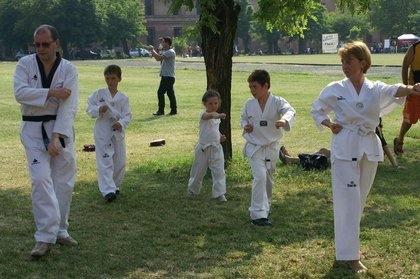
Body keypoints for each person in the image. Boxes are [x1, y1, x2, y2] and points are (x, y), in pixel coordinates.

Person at [311, 41, 420, 273]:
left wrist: (411, 89)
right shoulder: (335, 88)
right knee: (348, 199)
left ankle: (346, 247)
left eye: (348, 62)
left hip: (368, 147)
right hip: (344, 146)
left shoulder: (374, 88)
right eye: (342, 62)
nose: (344, 66)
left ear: (362, 63)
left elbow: (394, 90)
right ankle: (351, 256)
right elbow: (317, 109)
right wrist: (329, 123)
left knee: (358, 202)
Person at [14, 24, 79, 258]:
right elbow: (20, 93)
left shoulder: (69, 69)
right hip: (32, 129)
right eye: (37, 44)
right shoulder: (25, 64)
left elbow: (69, 105)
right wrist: (51, 93)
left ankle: (60, 230)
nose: (40, 48)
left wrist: (56, 136)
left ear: (56, 43)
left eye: (45, 44)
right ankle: (44, 237)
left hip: (59, 129)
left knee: (64, 182)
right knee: (41, 180)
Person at [241, 69, 296, 226]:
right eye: (250, 87)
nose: (252, 91)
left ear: (265, 86)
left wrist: (284, 120)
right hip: (255, 146)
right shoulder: (249, 104)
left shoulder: (278, 101)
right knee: (260, 176)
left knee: (268, 180)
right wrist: (246, 125)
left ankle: (265, 208)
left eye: (255, 87)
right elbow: (243, 118)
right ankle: (257, 215)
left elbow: (290, 111)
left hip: (271, 146)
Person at [86, 65, 132, 202]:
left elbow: (128, 115)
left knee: (119, 162)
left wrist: (122, 123)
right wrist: (99, 109)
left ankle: (115, 185)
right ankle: (107, 190)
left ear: (119, 79)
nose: (110, 81)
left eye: (113, 78)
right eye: (107, 78)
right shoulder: (98, 94)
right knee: (105, 160)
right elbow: (89, 109)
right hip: (103, 131)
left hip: (117, 131)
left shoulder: (123, 97)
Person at [187, 90, 227, 202]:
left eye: (216, 103)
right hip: (203, 149)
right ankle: (192, 190)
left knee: (219, 171)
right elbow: (211, 115)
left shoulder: (216, 117)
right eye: (210, 103)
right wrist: (219, 115)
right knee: (198, 171)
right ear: (204, 104)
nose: (213, 106)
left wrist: (220, 137)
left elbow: (214, 129)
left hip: (216, 148)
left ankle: (220, 193)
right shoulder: (204, 115)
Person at [394, 40, 420, 156]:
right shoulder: (414, 48)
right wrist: (406, 87)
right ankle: (399, 140)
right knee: (409, 118)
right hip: (415, 90)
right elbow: (405, 66)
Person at [148, 37, 177, 116]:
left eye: (163, 42)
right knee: (170, 93)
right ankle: (173, 110)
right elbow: (158, 58)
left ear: (167, 43)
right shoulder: (167, 51)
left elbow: (158, 58)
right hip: (168, 76)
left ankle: (161, 110)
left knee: (160, 92)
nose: (162, 44)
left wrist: (152, 50)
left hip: (167, 76)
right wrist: (153, 51)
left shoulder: (170, 52)